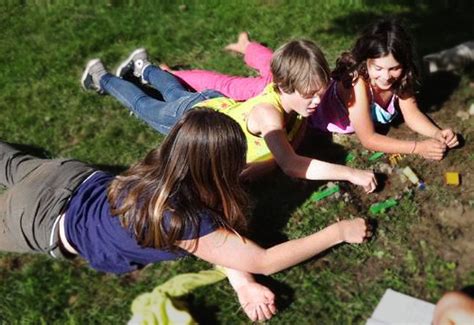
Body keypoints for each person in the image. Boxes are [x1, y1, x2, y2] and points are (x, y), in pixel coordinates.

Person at [0, 109, 371, 322]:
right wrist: (338, 231)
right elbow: (264, 259)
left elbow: (215, 243)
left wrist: (242, 284)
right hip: (39, 218)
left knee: (8, 161)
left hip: (66, 176)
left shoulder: (159, 169)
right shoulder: (182, 218)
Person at [81, 40, 377, 191]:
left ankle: (143, 68)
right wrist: (351, 173)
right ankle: (101, 77)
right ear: (282, 85)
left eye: (319, 92)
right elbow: (291, 165)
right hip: (191, 120)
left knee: (174, 92)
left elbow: (283, 152)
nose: (316, 101)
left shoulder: (295, 106)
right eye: (309, 94)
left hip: (214, 105)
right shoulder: (268, 115)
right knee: (144, 105)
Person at [164, 20, 459, 160]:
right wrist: (418, 147)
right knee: (234, 86)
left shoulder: (400, 80)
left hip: (307, 96)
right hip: (296, 98)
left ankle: (247, 46)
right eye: (377, 68)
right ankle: (173, 74)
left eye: (393, 69)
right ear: (366, 62)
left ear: (405, 65)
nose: (385, 77)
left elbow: (412, 112)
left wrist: (435, 133)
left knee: (270, 66)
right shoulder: (359, 83)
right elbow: (368, 139)